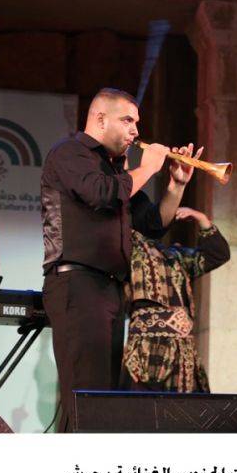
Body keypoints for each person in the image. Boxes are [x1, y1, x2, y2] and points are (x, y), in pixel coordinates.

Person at [41, 87, 199, 430]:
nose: (135, 131)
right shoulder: (70, 152)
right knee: (86, 398)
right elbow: (102, 195)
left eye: (136, 122)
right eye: (127, 120)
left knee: (101, 401)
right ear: (100, 119)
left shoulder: (115, 169)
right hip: (77, 285)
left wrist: (176, 185)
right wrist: (149, 168)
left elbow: (153, 224)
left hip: (109, 291)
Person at [123, 206, 230, 392]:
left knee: (184, 404)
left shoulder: (174, 255)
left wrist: (201, 218)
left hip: (182, 348)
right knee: (145, 403)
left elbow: (217, 254)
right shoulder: (128, 247)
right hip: (147, 347)